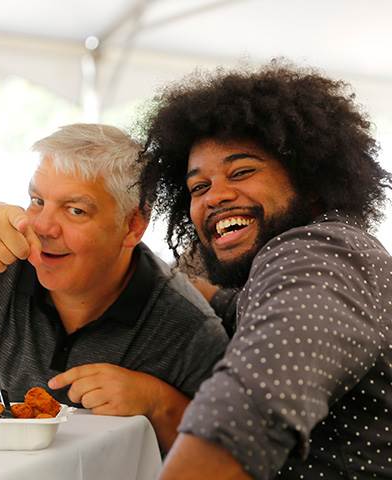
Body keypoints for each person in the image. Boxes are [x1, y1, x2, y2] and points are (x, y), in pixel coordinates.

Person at [138, 62, 392, 478]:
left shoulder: (316, 252)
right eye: (198, 187)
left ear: (308, 181)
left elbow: (248, 411)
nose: (215, 196)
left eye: (241, 172)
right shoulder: (328, 258)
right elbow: (249, 307)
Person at [0, 123, 229, 451]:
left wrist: (160, 404)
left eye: (75, 210)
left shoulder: (186, 328)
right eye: (37, 200)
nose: (44, 226)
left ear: (133, 225)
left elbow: (233, 458)